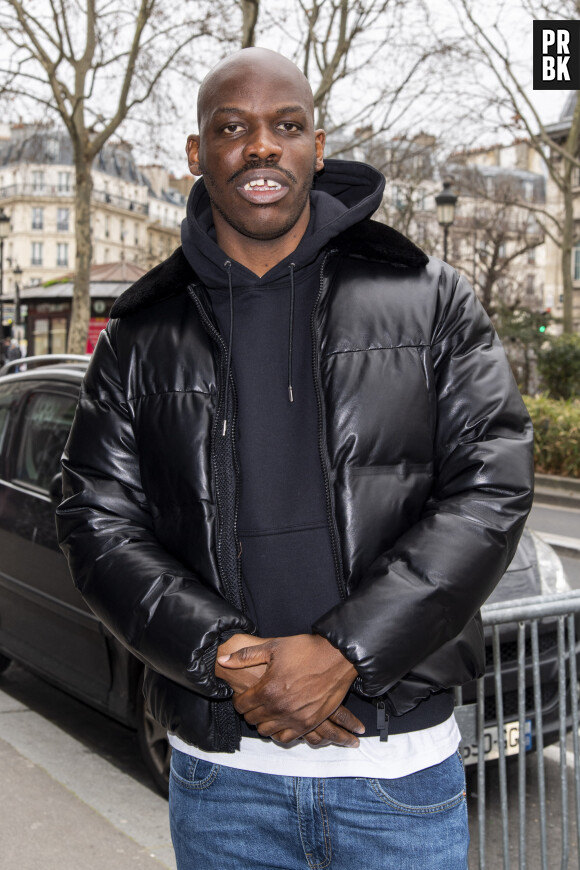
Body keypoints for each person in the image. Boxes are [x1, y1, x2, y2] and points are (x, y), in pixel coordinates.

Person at [56, 47, 534, 870]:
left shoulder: (430, 295)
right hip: (223, 784)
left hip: (397, 778)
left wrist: (348, 652)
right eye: (232, 128)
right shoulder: (140, 335)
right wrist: (221, 656)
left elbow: (492, 483)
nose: (262, 147)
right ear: (196, 156)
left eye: (287, 125)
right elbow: (95, 522)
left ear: (318, 145)